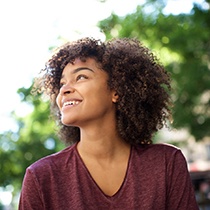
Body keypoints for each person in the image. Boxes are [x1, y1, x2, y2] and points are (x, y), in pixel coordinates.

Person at [18, 37, 199, 210]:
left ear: (116, 90)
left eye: (81, 77)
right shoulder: (41, 177)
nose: (64, 89)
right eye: (62, 83)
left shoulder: (166, 163)